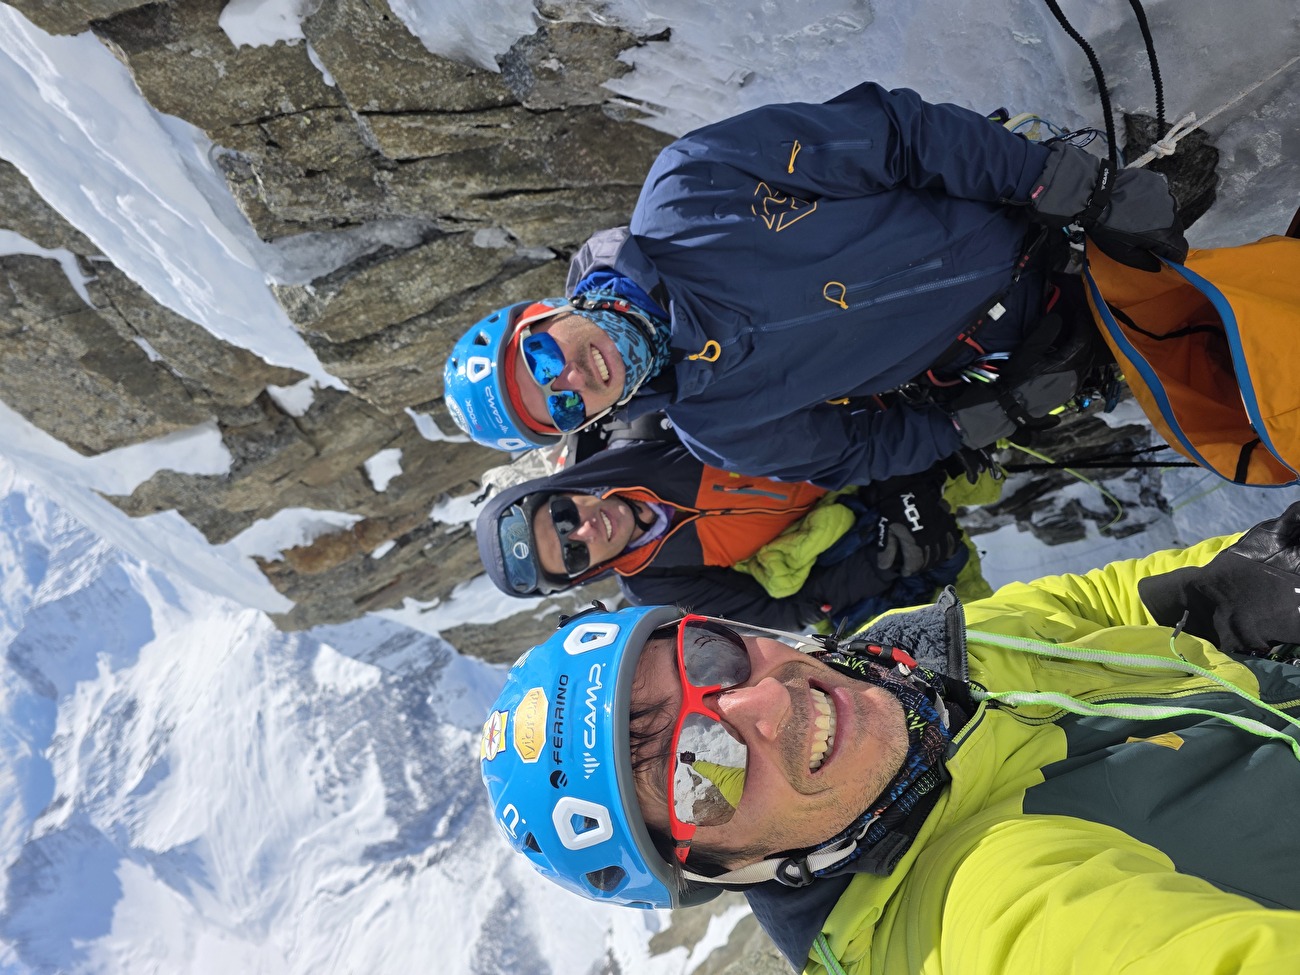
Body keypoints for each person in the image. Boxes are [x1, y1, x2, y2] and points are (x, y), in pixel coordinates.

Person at [479, 502, 1300, 973]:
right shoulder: (966, 918)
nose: (769, 702)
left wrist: (1228, 586)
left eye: (708, 656)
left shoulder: (902, 666)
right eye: (703, 766)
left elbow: (1087, 605)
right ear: (714, 867)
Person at [444, 82, 1186, 488]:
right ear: (585, 424)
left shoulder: (689, 188)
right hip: (1028, 334)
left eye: (541, 362)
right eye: (563, 405)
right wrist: (978, 419)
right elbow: (856, 450)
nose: (574, 376)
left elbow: (897, 137)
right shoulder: (722, 431)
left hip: (1021, 194)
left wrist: (1062, 185)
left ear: (540, 315)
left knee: (1206, 186)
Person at [475, 437, 969, 631]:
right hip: (866, 520)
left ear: (563, 488)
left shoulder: (641, 439)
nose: (585, 529)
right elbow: (784, 611)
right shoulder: (656, 584)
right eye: (574, 554)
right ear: (584, 575)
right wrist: (883, 558)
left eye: (563, 516)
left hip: (871, 444)